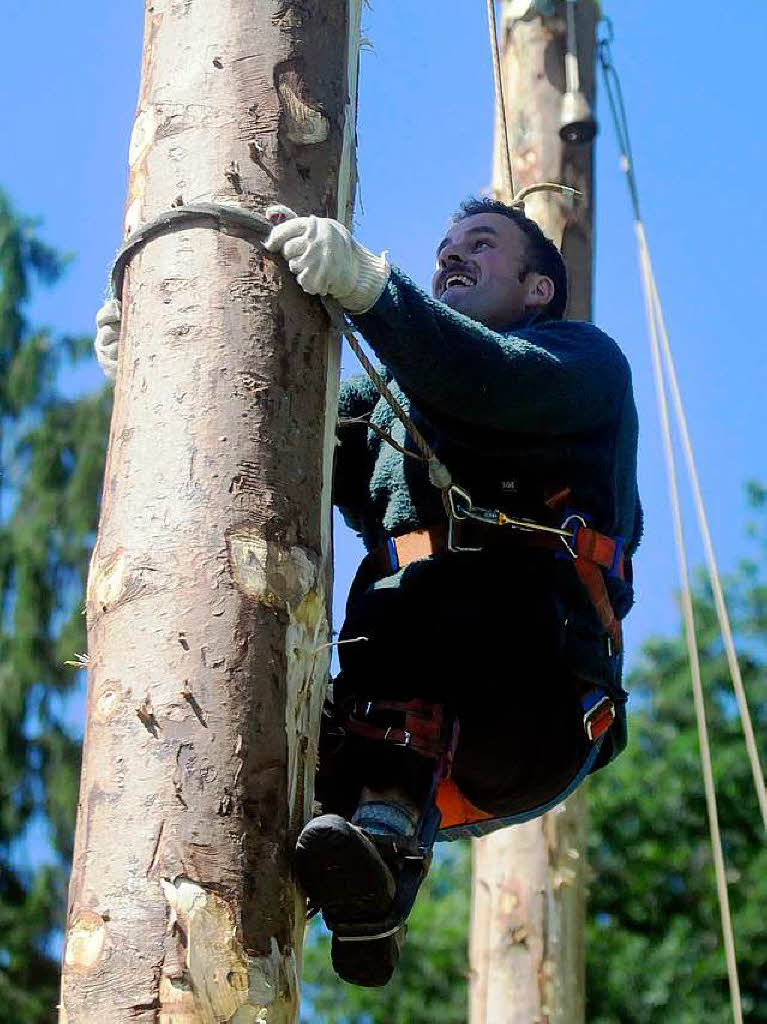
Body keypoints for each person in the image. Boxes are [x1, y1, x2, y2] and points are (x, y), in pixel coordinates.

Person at [95, 196, 641, 990]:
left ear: (536, 290)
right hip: (403, 705)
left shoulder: (580, 361)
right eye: (444, 245)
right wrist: (155, 374)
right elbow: (257, 440)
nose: (452, 256)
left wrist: (374, 291)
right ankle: (351, 881)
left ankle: (386, 836)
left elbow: (488, 380)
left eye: (480, 246)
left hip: (535, 702)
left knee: (420, 590)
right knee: (266, 683)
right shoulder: (381, 406)